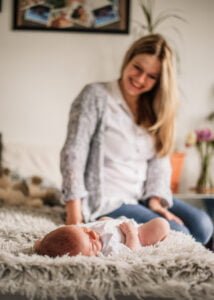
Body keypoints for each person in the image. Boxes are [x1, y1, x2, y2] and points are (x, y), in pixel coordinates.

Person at [60, 34, 213, 246]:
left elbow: (159, 159)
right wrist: (74, 216)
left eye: (152, 76)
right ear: (128, 59)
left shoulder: (154, 108)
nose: (140, 79)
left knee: (203, 225)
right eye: (137, 68)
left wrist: (156, 202)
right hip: (108, 200)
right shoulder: (95, 96)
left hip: (141, 195)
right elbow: (73, 154)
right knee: (179, 233)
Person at [34, 217, 170, 257]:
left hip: (113, 222)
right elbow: (131, 253)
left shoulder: (80, 233)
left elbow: (62, 235)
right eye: (93, 245)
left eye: (86, 231)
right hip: (135, 232)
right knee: (161, 224)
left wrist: (42, 244)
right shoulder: (109, 251)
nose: (94, 234)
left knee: (103, 218)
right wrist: (131, 234)